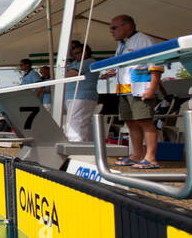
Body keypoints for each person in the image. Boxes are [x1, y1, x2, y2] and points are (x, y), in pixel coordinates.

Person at [103, 14, 163, 168]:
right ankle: (137, 154)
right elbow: (126, 66)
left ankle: (150, 158)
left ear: (127, 25)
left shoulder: (144, 40)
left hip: (139, 89)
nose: (111, 31)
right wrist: (113, 71)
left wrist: (152, 88)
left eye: (114, 28)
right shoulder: (122, 44)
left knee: (145, 121)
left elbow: (155, 65)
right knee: (131, 122)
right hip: (124, 89)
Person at [63, 40, 98, 143]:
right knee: (81, 123)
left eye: (78, 53)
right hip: (73, 96)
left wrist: (62, 71)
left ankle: (76, 146)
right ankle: (90, 146)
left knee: (76, 123)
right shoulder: (75, 63)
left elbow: (73, 73)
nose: (75, 55)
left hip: (81, 97)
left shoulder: (89, 61)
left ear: (86, 52)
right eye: (74, 53)